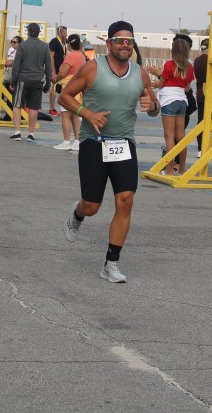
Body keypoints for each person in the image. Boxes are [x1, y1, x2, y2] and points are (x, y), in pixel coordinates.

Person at [59, 21, 160, 283]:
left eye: (129, 41)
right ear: (109, 43)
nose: (125, 45)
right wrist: (87, 113)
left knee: (125, 200)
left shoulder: (140, 74)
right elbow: (64, 96)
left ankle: (111, 263)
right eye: (120, 40)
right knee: (92, 206)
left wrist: (152, 106)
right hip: (94, 142)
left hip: (124, 143)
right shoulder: (93, 68)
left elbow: (154, 106)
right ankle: (78, 213)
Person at [153, 36, 193, 175]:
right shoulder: (189, 67)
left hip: (168, 100)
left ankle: (169, 169)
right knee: (180, 135)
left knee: (169, 136)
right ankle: (181, 168)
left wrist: (153, 83)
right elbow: (187, 88)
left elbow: (161, 84)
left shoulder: (169, 65)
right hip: (182, 100)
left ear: (173, 51)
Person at [9, 22, 52, 142]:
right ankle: (31, 134)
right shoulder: (45, 46)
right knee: (34, 107)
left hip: (22, 79)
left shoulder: (22, 45)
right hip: (37, 80)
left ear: (28, 32)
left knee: (17, 105)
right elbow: (48, 66)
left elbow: (16, 65)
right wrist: (48, 82)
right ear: (39, 32)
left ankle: (17, 132)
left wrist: (13, 81)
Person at [53, 34, 86, 150]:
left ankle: (66, 141)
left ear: (69, 44)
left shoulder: (71, 56)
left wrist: (55, 79)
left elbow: (63, 72)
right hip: (78, 88)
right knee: (75, 116)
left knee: (65, 115)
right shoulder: (81, 56)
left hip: (68, 87)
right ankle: (77, 141)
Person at [48, 26, 68, 116]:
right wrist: (53, 71)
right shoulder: (54, 42)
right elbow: (51, 56)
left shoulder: (64, 42)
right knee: (54, 87)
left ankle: (62, 108)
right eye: (64, 33)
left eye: (66, 33)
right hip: (55, 69)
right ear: (59, 33)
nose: (66, 35)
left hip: (62, 69)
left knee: (61, 88)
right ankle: (51, 109)